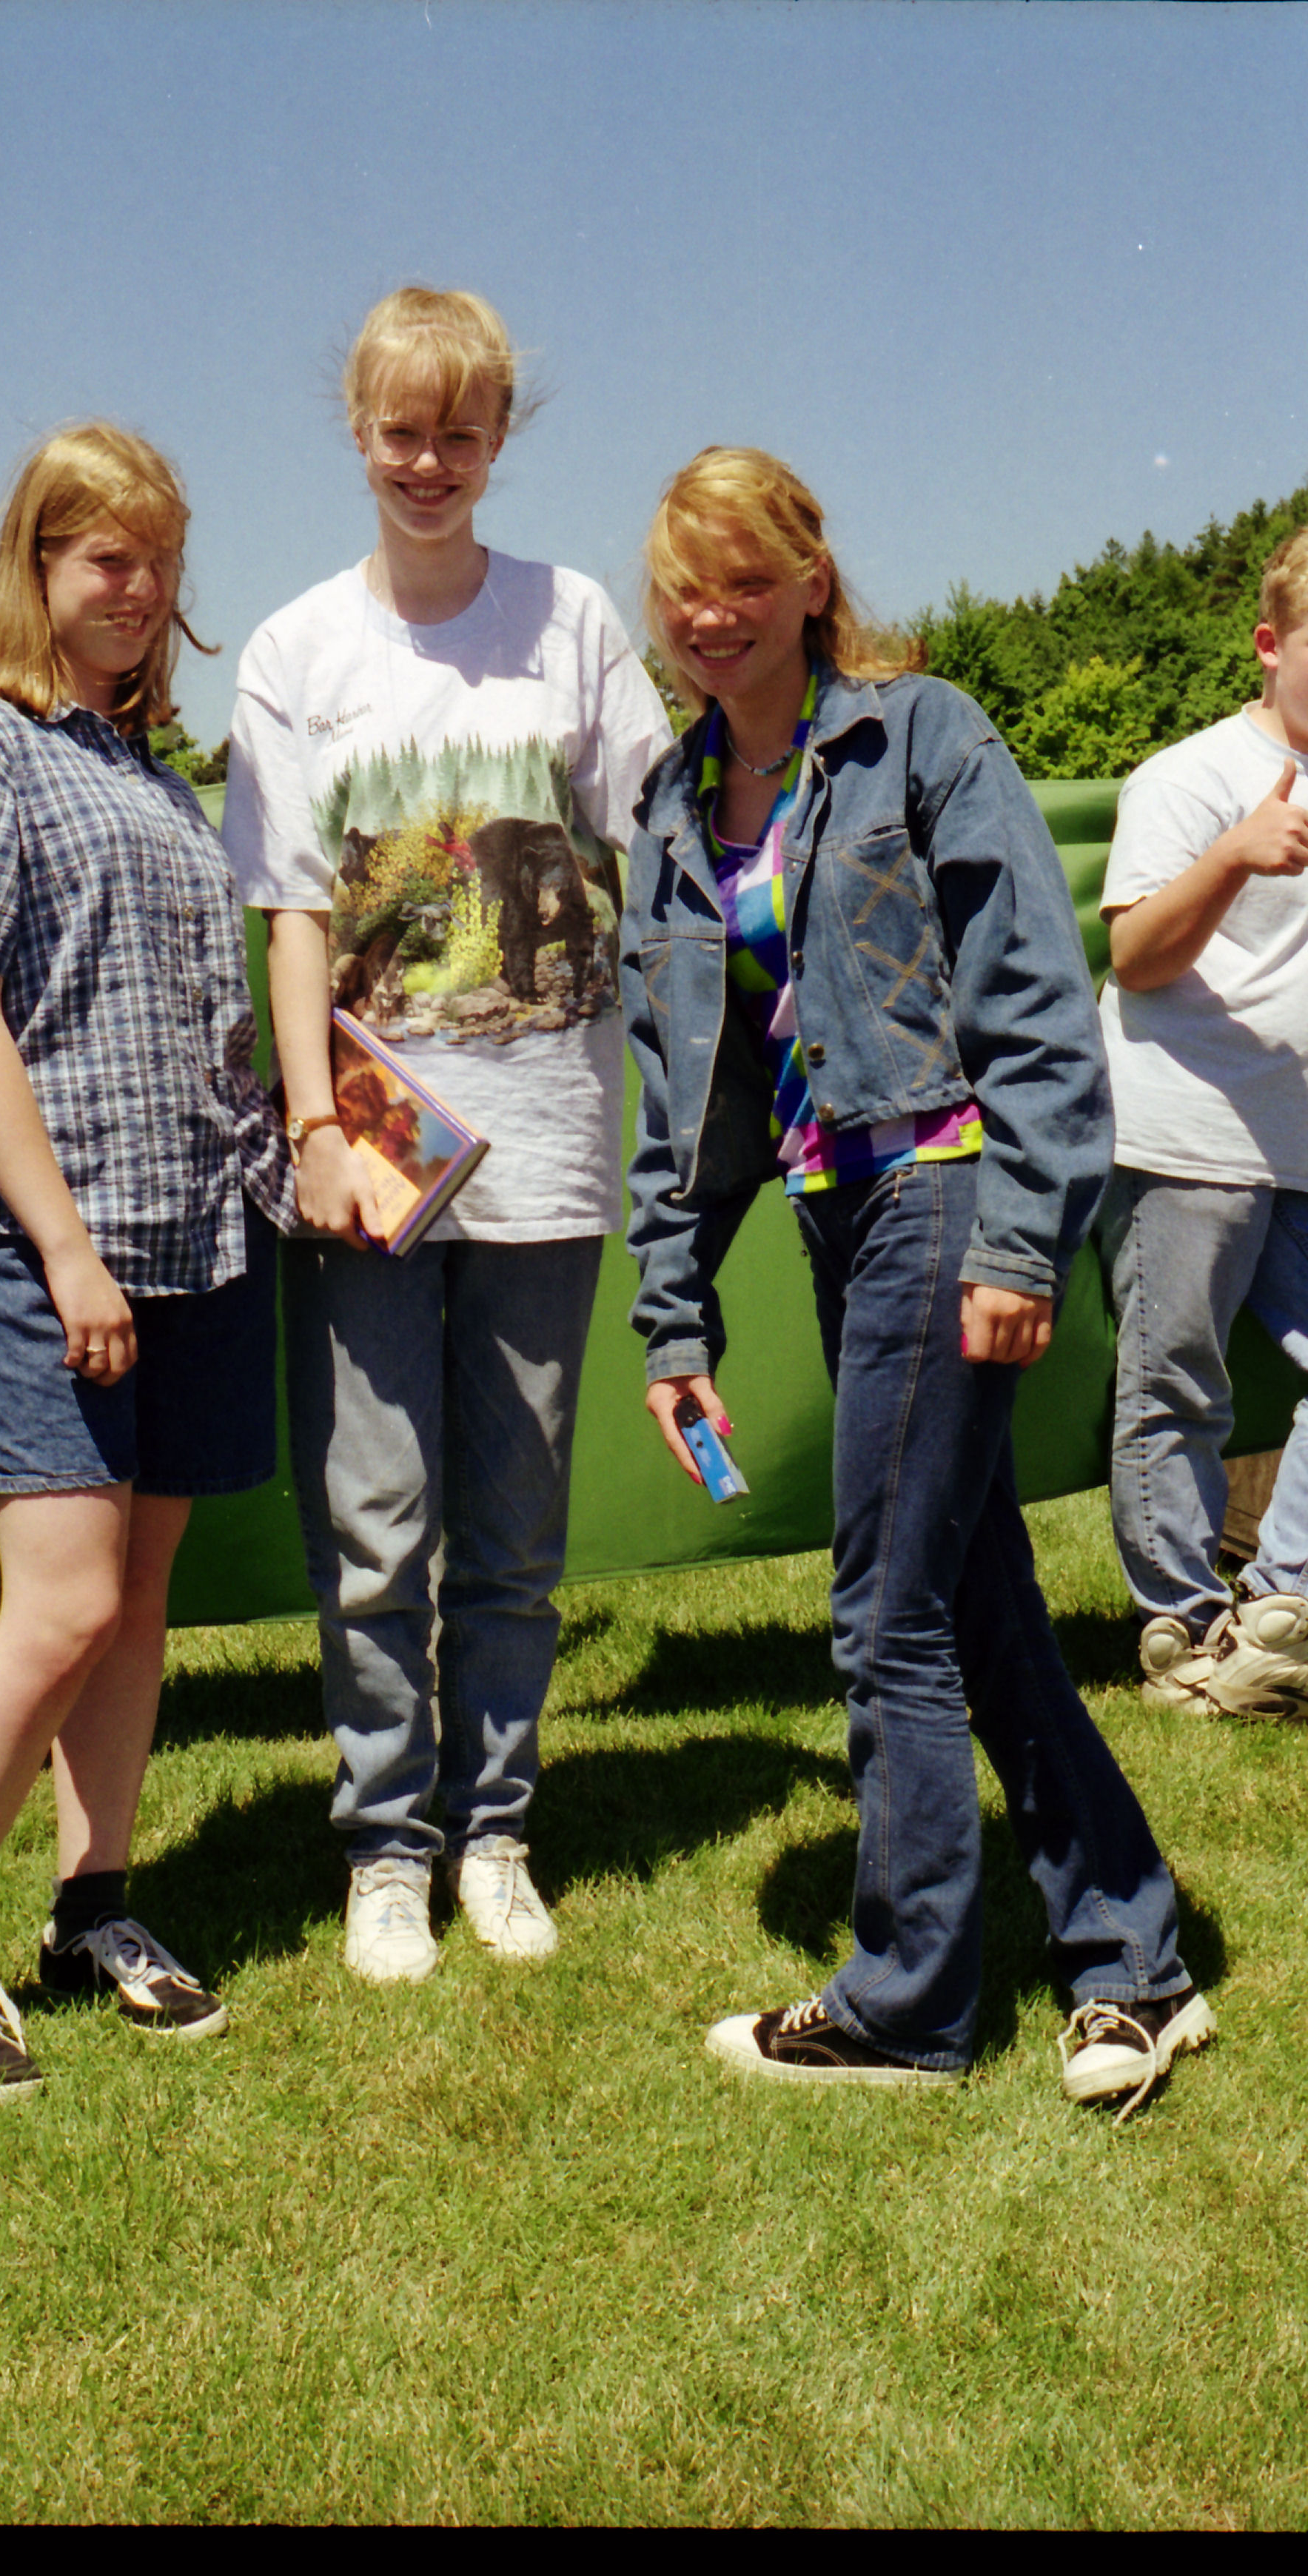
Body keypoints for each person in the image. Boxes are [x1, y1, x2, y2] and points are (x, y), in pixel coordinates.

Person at [622, 447, 1213, 2119]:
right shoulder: (671, 805)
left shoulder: (921, 736)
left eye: (746, 579)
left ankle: (906, 2000)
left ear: (811, 581)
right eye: (684, 589)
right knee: (969, 1598)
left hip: (942, 1193)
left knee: (883, 1613)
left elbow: (1032, 999)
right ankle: (1128, 1958)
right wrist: (670, 1313)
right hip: (836, 1216)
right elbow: (684, 1102)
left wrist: (1020, 1240)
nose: (713, 615)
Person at [222, 288, 670, 1983]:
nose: (429, 463)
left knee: (516, 1528)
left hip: (547, 1148)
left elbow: (658, 850)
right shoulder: (293, 652)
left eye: (459, 434)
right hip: (371, 1157)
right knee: (375, 1516)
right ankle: (385, 1846)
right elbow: (290, 914)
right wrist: (312, 1126)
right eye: (401, 432)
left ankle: (494, 1830)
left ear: (499, 440)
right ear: (358, 434)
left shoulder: (574, 623)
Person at [0, 423, 293, 2099]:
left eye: (160, 560)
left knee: (136, 1607)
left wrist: (298, 1162)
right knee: (63, 1606)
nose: (141, 588)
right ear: (36, 563)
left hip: (191, 1239)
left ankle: (93, 1906)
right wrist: (62, 1248)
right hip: (42, 1246)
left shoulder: (150, 774)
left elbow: (190, 1027)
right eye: (109, 557)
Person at [1096, 528, 1308, 1723]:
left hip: (1299, 1139)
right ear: (1269, 645)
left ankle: (1275, 1610)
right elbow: (1134, 956)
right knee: (1175, 1386)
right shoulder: (1187, 778)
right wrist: (1234, 855)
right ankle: (1177, 1635)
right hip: (1184, 1135)